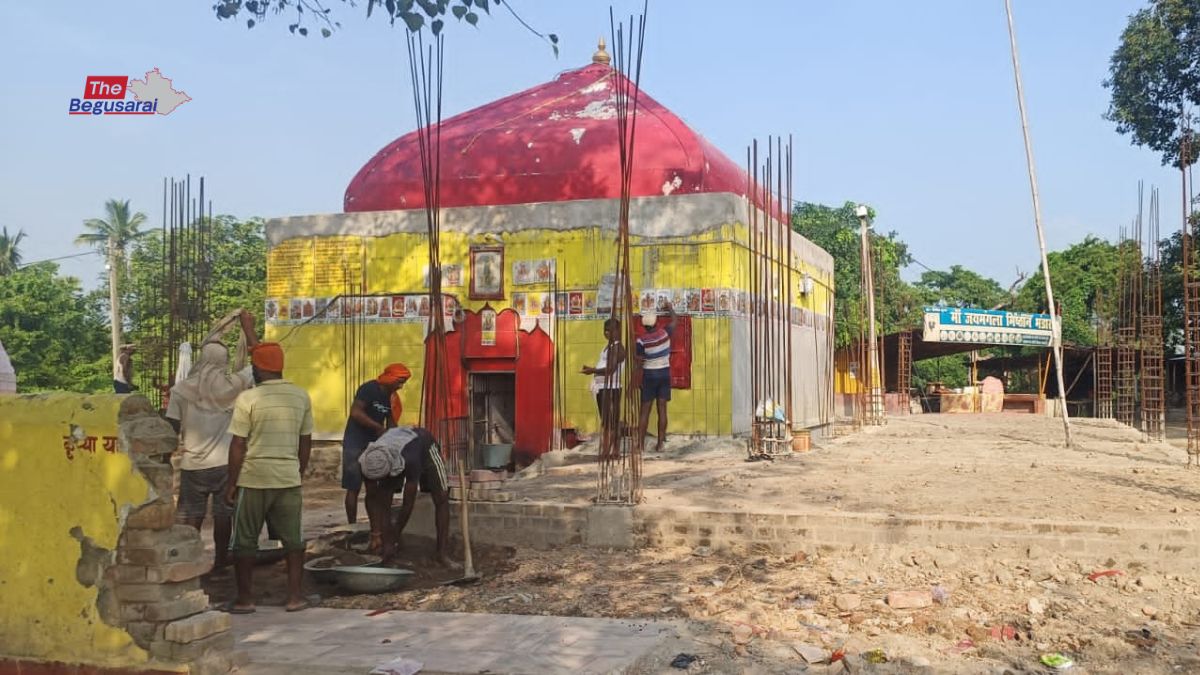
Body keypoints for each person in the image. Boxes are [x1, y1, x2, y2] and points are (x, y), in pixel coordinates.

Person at [165, 311, 259, 573]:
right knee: (223, 514)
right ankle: (220, 563)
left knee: (190, 515)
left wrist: (164, 460)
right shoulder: (235, 384)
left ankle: (187, 561)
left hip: (192, 463)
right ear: (225, 361)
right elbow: (259, 360)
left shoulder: (180, 390)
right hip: (226, 463)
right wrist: (247, 328)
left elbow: (170, 427)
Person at [223, 342, 313, 614]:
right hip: (287, 479)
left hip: (253, 479)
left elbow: (238, 444)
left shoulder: (248, 399)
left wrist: (231, 483)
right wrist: (298, 472)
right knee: (293, 541)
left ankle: (245, 599)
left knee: (244, 540)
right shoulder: (300, 396)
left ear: (258, 369)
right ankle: (295, 597)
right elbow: (305, 441)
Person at [359, 426, 453, 566]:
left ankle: (442, 554)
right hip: (394, 449)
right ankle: (390, 547)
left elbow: (408, 504)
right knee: (384, 497)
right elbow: (380, 503)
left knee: (441, 496)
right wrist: (379, 536)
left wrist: (394, 536)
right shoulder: (368, 460)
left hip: (425, 445)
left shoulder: (411, 458)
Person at [342, 364, 411, 534]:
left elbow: (392, 423)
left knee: (372, 487)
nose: (401, 386)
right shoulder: (369, 389)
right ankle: (352, 527)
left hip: (374, 446)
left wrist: (395, 441)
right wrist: (377, 428)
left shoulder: (392, 398)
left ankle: (375, 528)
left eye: (403, 383)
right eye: (399, 382)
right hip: (355, 441)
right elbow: (356, 413)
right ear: (390, 378)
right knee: (353, 486)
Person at [581, 318, 625, 460]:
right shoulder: (609, 347)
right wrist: (592, 369)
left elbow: (611, 369)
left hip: (610, 388)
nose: (606, 333)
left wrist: (592, 370)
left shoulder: (617, 348)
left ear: (617, 331)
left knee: (610, 422)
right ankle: (611, 451)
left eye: (610, 330)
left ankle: (609, 451)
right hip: (603, 387)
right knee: (608, 421)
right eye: (605, 330)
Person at [636, 303, 677, 453]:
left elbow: (639, 362)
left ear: (643, 325)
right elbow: (674, 321)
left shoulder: (641, 341)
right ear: (656, 322)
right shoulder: (665, 333)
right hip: (664, 375)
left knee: (645, 411)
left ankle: (639, 445)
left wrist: (634, 380)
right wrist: (669, 308)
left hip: (649, 376)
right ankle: (660, 444)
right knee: (662, 409)